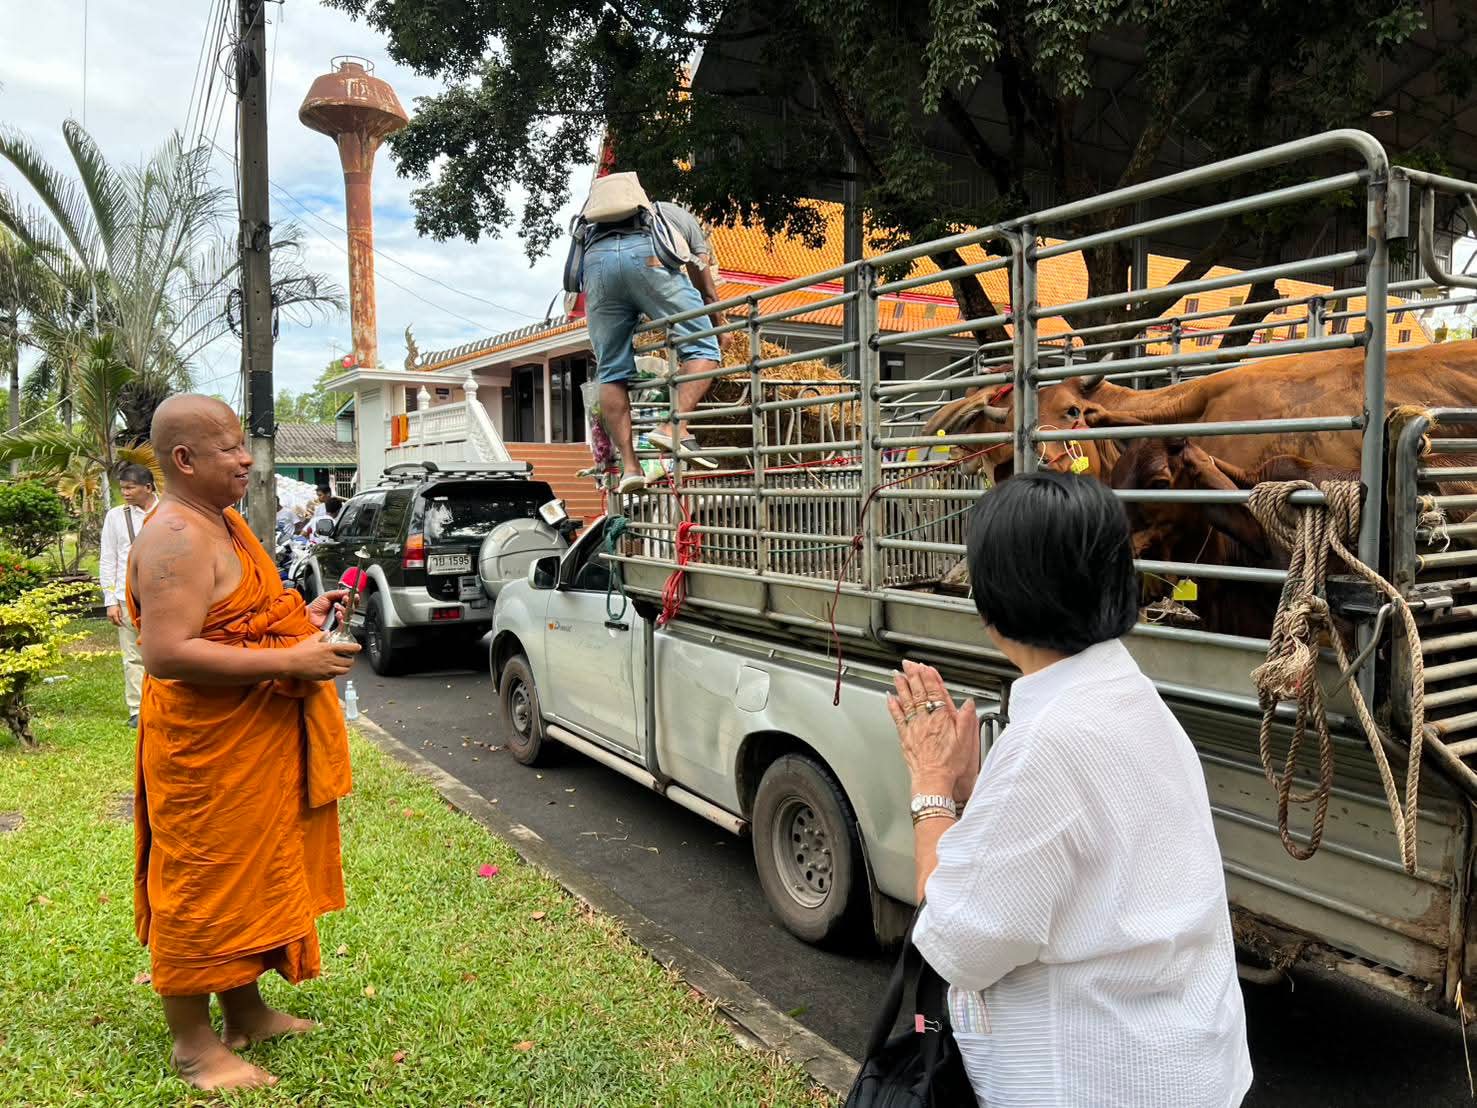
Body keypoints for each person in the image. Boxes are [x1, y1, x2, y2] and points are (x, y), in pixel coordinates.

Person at [888, 472, 1250, 1107]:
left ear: (992, 601)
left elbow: (959, 941)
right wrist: (981, 790)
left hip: (1099, 1083)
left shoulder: (1045, 745)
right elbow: (1065, 868)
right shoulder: (1133, 699)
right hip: (1193, 1070)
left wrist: (932, 785)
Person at [125, 395, 361, 1091]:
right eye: (229, 447)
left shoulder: (221, 522)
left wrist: (300, 621)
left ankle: (246, 1010)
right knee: (204, 879)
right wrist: (290, 662)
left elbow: (237, 619)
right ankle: (194, 1045)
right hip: (205, 751)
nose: (247, 458)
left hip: (250, 738)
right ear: (183, 459)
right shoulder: (175, 535)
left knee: (254, 875)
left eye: (243, 445)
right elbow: (166, 652)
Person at [583, 183, 725, 493]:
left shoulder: (591, 231)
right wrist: (716, 318)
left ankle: (630, 468)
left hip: (595, 268)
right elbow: (702, 275)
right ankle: (672, 425)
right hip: (647, 259)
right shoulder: (670, 213)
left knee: (610, 371)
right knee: (704, 347)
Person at [99, 463, 161, 727]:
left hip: (164, 597)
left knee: (163, 652)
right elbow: (108, 559)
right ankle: (138, 710)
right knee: (132, 655)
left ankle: (167, 703)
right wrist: (110, 600)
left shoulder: (170, 511)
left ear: (148, 487)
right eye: (122, 487)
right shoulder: (115, 516)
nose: (125, 492)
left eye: (130, 487)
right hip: (127, 598)